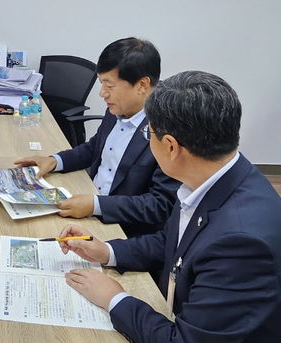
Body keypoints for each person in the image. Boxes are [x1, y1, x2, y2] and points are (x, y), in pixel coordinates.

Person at [59, 71, 281, 343]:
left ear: (171, 146)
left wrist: (114, 298)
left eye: (149, 134)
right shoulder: (214, 177)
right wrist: (107, 251)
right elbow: (172, 241)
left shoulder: (243, 241)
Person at [15, 37, 179, 237]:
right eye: (102, 84)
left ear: (142, 85)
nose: (102, 94)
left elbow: (159, 204)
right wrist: (54, 160)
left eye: (109, 86)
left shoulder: (166, 130)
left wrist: (96, 205)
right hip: (88, 203)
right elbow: (95, 148)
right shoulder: (119, 107)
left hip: (120, 229)